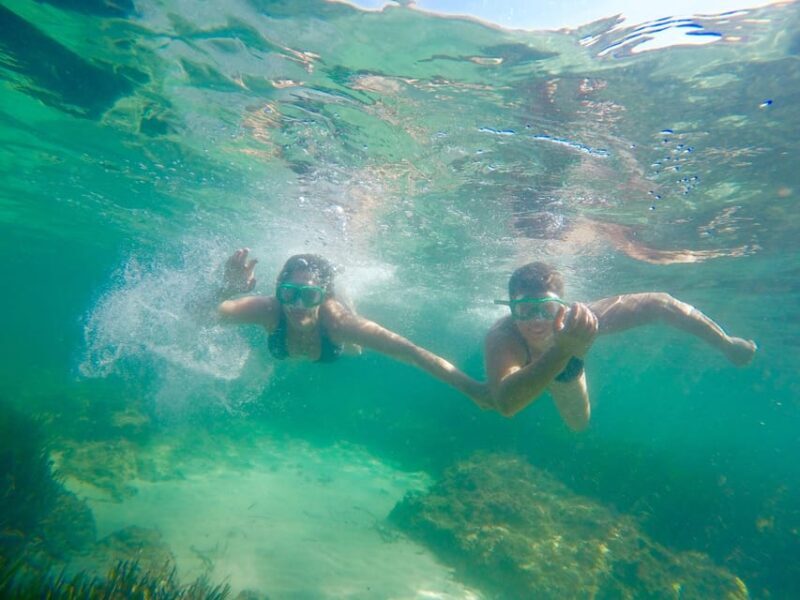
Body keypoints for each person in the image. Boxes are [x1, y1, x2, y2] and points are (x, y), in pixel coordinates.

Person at [484, 262, 757, 430]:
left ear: (563, 308)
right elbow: (508, 405)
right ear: (510, 310)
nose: (537, 321)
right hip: (547, 363)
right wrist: (565, 348)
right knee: (497, 397)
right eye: (524, 310)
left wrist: (725, 343)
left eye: (547, 308)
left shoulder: (580, 321)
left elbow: (660, 303)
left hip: (563, 372)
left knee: (578, 424)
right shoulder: (503, 336)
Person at [214, 248, 487, 404]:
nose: (297, 304)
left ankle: (345, 296)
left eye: (309, 295)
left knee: (356, 349)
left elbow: (410, 351)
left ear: (322, 296)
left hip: (335, 341)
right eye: (288, 293)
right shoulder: (269, 309)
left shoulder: (338, 324)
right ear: (279, 291)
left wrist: (470, 387)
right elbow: (198, 315)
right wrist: (224, 291)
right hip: (295, 347)